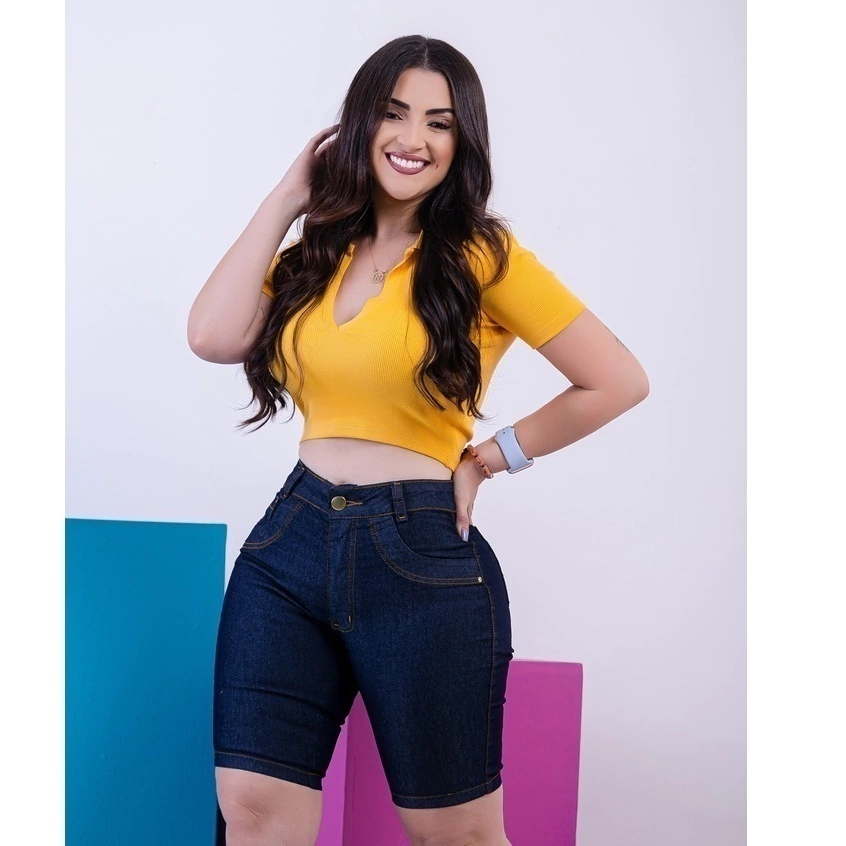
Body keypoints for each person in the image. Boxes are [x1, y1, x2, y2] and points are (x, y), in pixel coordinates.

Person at [187, 34, 648, 846]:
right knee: (252, 808)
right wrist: (288, 197)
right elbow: (212, 335)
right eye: (395, 114)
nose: (414, 139)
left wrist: (491, 457)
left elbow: (617, 379)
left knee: (454, 832)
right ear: (360, 123)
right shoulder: (316, 253)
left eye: (440, 123)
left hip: (420, 551)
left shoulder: (481, 255)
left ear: (462, 143)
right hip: (291, 544)